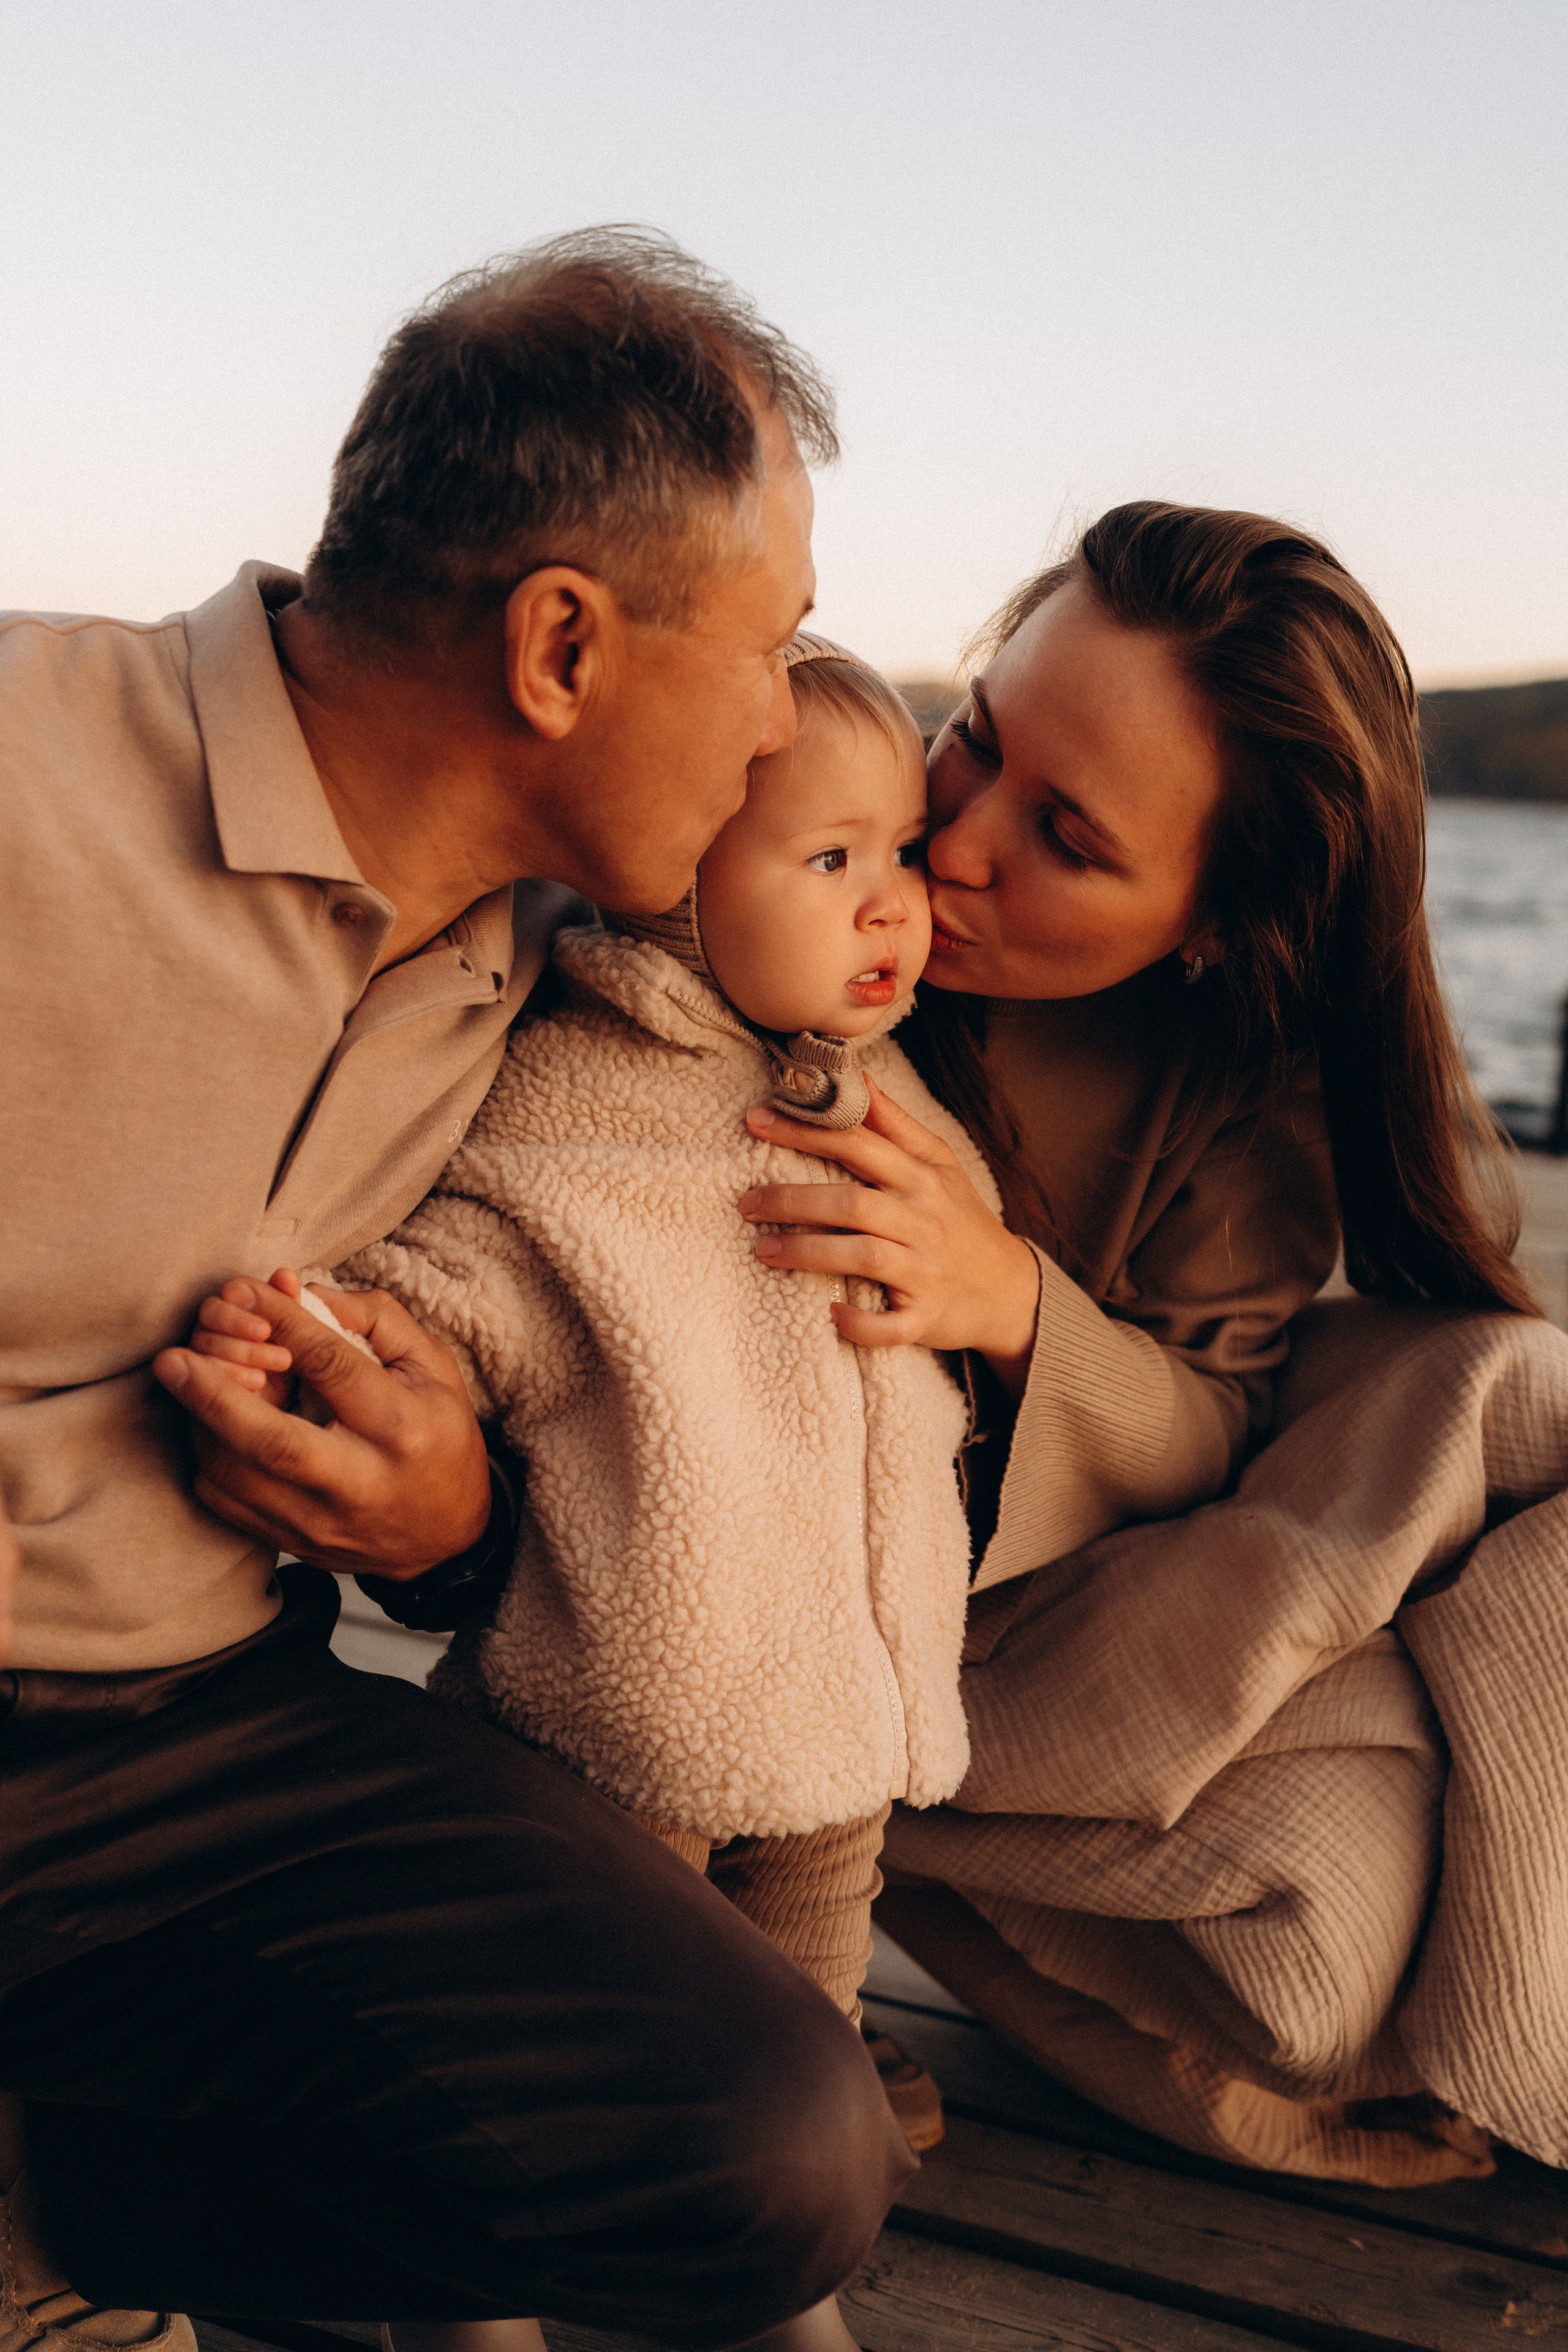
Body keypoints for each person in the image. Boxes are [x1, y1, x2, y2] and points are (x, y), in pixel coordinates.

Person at [0, 228, 915, 2352]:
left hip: (200, 1741)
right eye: (771, 645)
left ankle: (71, 2200)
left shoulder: (566, 963)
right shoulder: (30, 768)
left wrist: (446, 1527)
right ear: (561, 645)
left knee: (781, 2153)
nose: (782, 717)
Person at [735, 500, 1568, 2188]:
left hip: (1054, 1586)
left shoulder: (1240, 1092)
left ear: (1211, 925)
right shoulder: (784, 860)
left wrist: (1012, 1305)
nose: (955, 842)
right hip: (757, 1574)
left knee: (1503, 1435)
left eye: (1066, 837)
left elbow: (1213, 1436)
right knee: (1329, 1912)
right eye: (974, 738)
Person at [196, 641, 993, 2182]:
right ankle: (519, 2228)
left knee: (813, 2035)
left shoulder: (890, 1099)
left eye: (900, 850)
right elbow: (463, 1274)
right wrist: (323, 1341)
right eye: (831, 859)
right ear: (679, 880)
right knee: (611, 2041)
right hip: (637, 1706)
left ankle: (786, 2225)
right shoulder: (582, 1095)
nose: (892, 902)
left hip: (850, 1699)